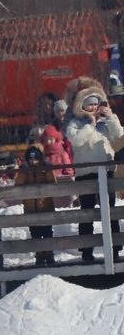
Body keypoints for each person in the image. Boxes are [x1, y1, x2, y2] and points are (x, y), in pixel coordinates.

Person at [62, 80, 124, 262]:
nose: (94, 106)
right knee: (86, 212)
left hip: (106, 171)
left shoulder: (106, 121)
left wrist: (110, 117)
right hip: (85, 173)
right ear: (82, 106)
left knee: (111, 211)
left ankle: (115, 248)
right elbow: (77, 141)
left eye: (97, 103)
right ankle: (87, 250)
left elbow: (119, 136)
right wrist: (90, 124)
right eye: (90, 103)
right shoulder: (75, 123)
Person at [16, 144, 57, 267]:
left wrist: (48, 170)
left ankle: (49, 254)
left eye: (35, 159)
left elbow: (53, 183)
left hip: (45, 206)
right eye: (30, 159)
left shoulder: (44, 168)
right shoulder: (25, 170)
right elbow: (18, 185)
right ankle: (39, 255)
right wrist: (22, 172)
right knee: (35, 233)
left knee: (47, 232)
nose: (33, 162)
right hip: (30, 207)